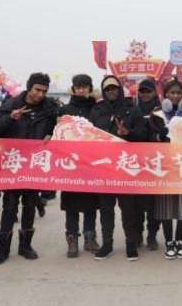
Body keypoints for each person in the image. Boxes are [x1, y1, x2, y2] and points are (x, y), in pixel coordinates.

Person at [0, 72, 58, 264]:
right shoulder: (11, 105)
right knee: (9, 205)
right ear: (29, 87)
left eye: (44, 91)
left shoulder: (51, 109)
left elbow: (56, 132)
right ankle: (3, 249)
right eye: (37, 90)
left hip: (35, 165)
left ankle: (25, 246)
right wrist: (10, 118)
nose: (41, 94)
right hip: (13, 165)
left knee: (30, 205)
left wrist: (53, 136)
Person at [90, 75, 147, 261]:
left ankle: (131, 245)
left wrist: (127, 133)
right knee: (106, 209)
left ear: (120, 89)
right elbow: (88, 137)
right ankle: (107, 244)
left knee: (128, 209)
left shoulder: (132, 108)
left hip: (127, 168)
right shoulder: (97, 111)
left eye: (114, 88)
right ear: (104, 91)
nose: (111, 91)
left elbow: (143, 135)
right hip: (105, 169)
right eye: (107, 89)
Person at [151, 79, 182, 259]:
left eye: (178, 93)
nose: (175, 96)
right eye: (172, 93)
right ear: (166, 95)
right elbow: (148, 138)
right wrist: (158, 135)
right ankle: (169, 241)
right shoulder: (157, 113)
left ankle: (179, 241)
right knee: (166, 206)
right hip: (165, 165)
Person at [58, 74, 101, 257]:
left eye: (85, 86)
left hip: (91, 163)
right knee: (71, 206)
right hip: (70, 165)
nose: (81, 89)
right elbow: (57, 133)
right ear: (73, 88)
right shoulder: (65, 109)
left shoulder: (96, 108)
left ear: (90, 88)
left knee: (91, 204)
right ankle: (72, 240)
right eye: (78, 86)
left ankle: (90, 239)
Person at [134, 78, 162, 251]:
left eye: (148, 91)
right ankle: (137, 234)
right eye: (142, 91)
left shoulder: (161, 110)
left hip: (156, 162)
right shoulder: (132, 108)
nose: (145, 94)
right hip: (135, 163)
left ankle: (152, 235)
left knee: (154, 205)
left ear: (154, 92)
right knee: (136, 204)